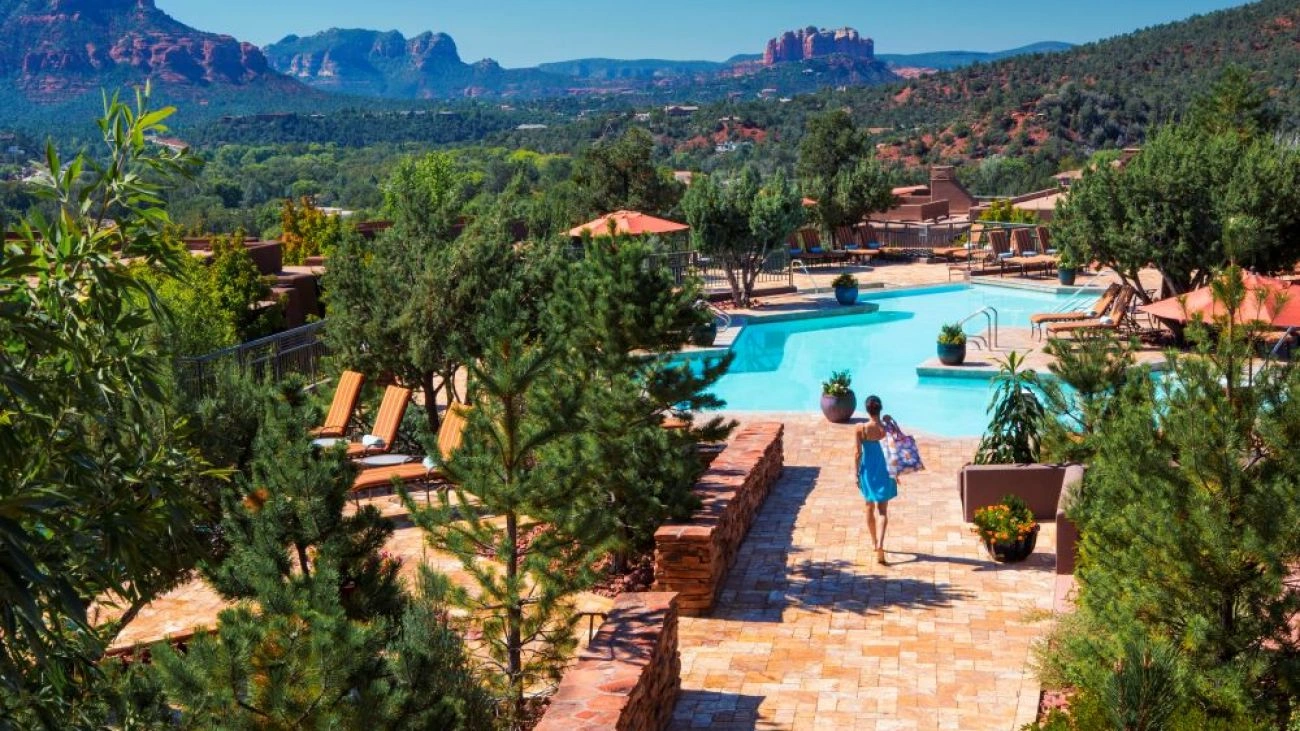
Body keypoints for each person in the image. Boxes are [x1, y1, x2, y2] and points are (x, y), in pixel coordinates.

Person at [854, 395, 898, 565]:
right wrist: (891, 420)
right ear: (880, 409)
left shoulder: (861, 429)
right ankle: (880, 543)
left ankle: (873, 542)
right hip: (885, 470)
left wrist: (855, 473)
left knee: (868, 506)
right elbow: (899, 442)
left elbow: (857, 453)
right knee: (882, 510)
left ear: (867, 409)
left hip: (868, 471)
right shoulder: (886, 427)